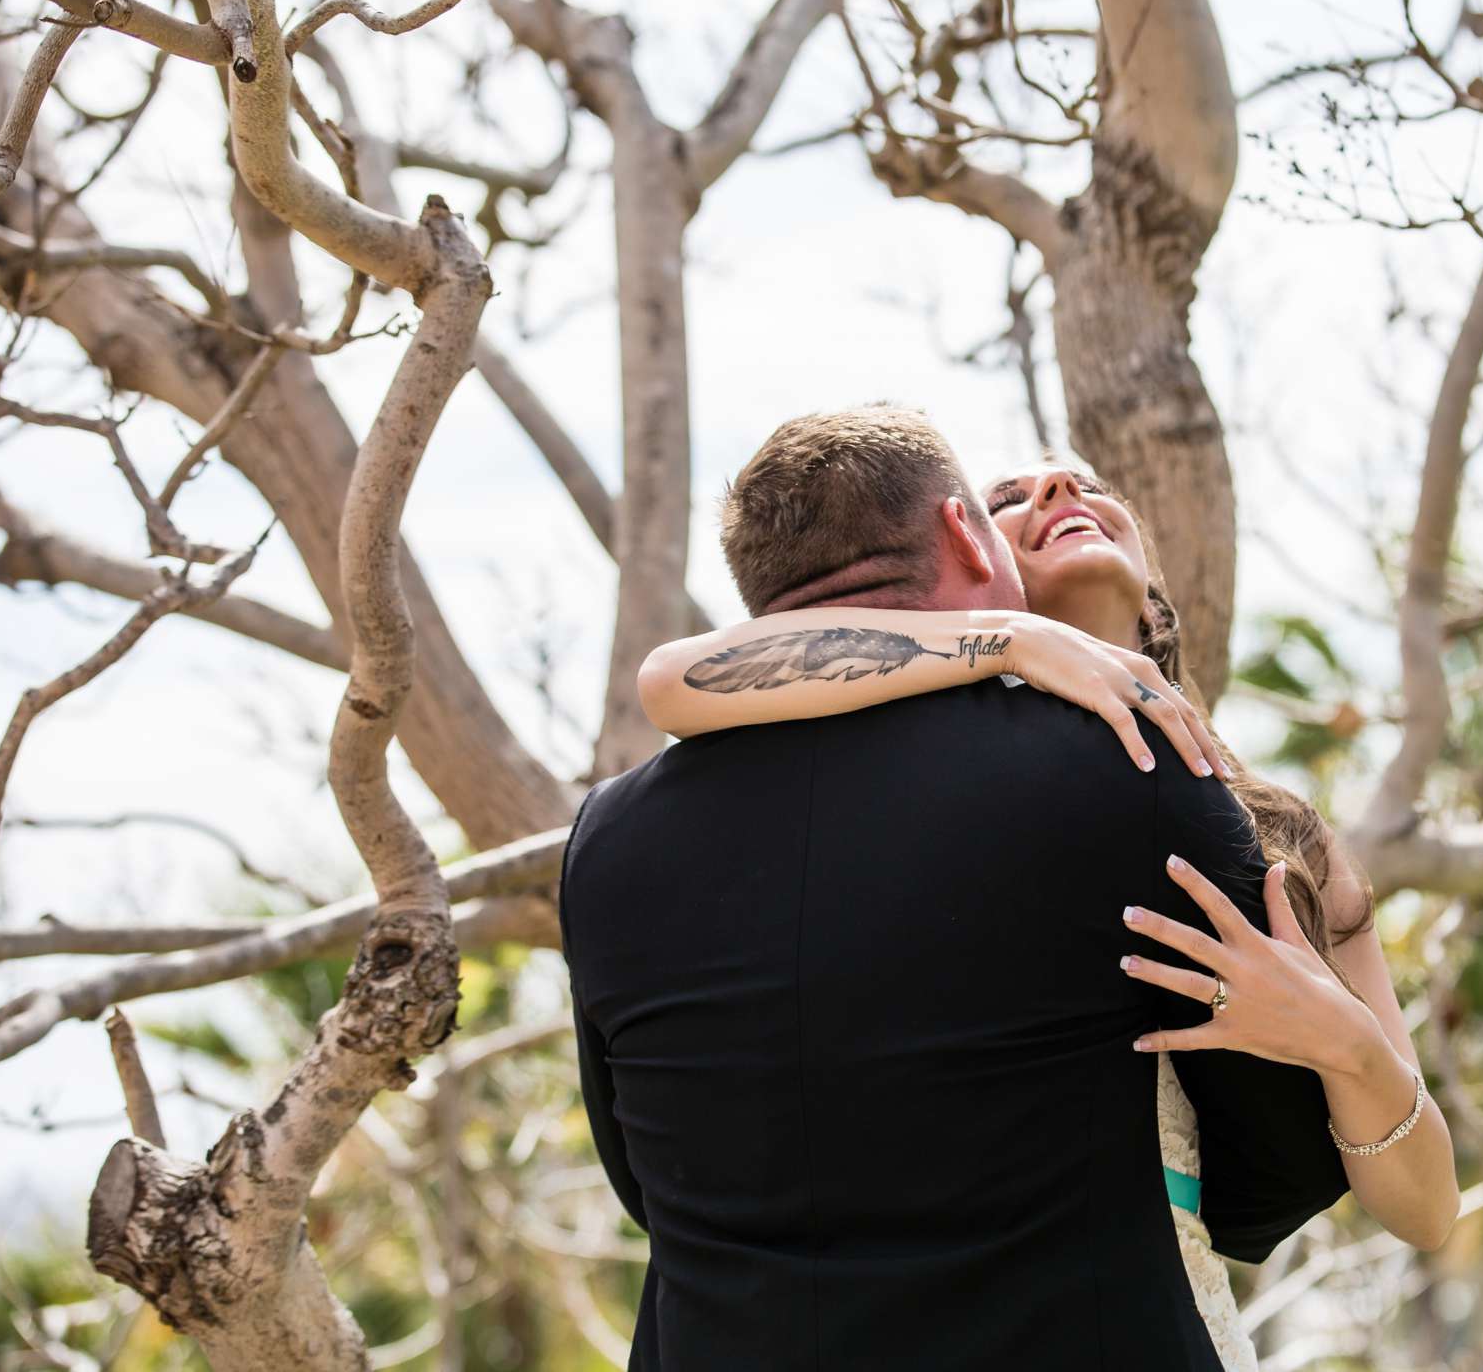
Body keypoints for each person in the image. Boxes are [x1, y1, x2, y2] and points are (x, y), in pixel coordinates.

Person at [560, 407, 1373, 1371]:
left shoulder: (604, 839)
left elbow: (638, 1174)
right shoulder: (1121, 764)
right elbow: (1276, 1167)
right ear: (963, 532)